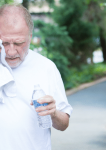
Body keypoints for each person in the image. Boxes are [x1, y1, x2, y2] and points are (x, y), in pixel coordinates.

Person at [0, 3, 73, 150]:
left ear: (30, 37)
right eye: (5, 43)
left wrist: (53, 113)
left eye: (19, 43)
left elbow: (64, 123)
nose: (11, 52)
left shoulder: (46, 68)